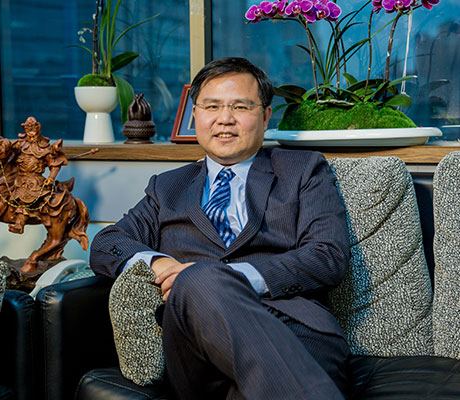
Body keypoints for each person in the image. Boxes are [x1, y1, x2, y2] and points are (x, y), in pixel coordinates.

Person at [90, 57, 351, 399]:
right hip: (195, 343)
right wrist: (160, 264)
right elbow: (107, 242)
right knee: (198, 279)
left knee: (204, 277)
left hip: (292, 324)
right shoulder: (167, 187)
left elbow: (327, 256)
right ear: (195, 115)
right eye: (212, 106)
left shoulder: (303, 170)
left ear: (265, 116)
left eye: (240, 106)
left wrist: (232, 278)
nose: (225, 118)